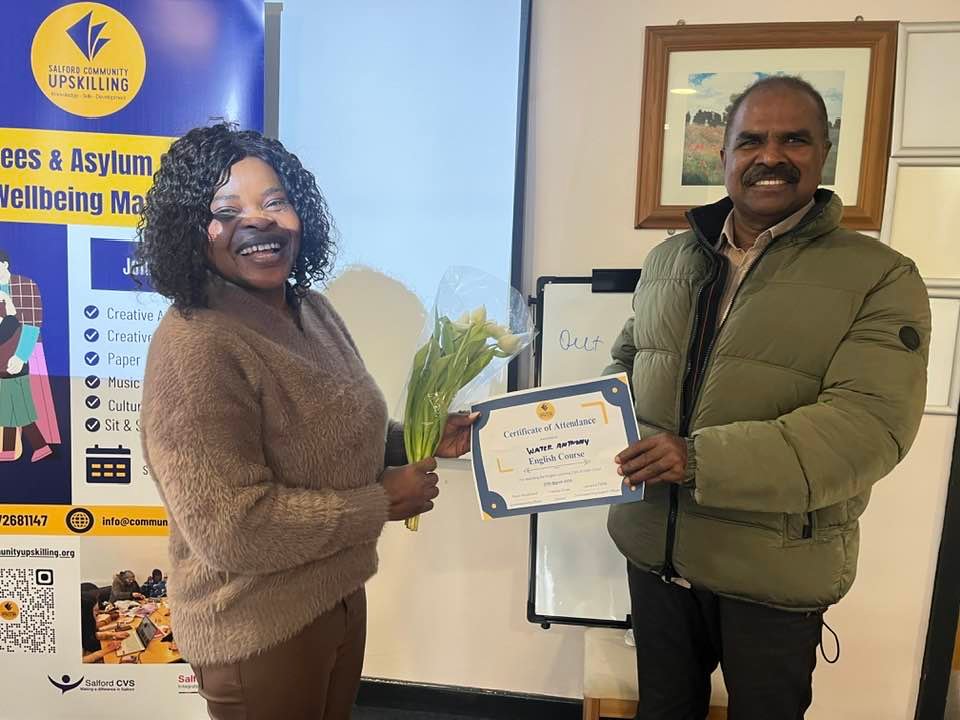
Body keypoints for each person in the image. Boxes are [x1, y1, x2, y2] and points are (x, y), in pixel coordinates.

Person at [606, 76, 930, 719]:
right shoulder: (670, 260)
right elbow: (627, 365)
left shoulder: (880, 276)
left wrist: (697, 458)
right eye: (751, 140)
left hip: (775, 570)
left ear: (824, 152)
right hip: (655, 554)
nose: (770, 156)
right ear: (724, 155)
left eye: (794, 140)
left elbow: (867, 428)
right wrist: (562, 434)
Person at [136, 122, 474, 720]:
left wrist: (414, 441)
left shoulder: (313, 310)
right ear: (191, 231)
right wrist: (379, 503)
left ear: (301, 216)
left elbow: (330, 435)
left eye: (275, 202)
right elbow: (231, 528)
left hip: (336, 596)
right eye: (227, 210)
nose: (259, 222)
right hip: (257, 627)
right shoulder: (196, 345)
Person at [0, 249, 57, 463]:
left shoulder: (25, 286)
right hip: (2, 359)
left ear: (4, 264)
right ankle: (10, 449)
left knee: (20, 406)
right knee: (7, 407)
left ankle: (41, 447)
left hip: (23, 355)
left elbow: (32, 325)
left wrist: (21, 356)